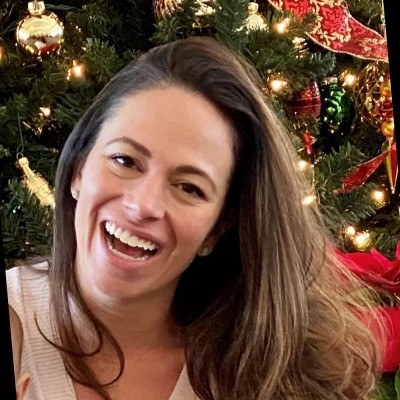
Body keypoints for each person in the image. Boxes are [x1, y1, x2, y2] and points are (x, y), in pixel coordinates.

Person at [7, 36, 382, 400]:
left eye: (189, 188)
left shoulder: (267, 370)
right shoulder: (16, 316)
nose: (143, 205)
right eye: (124, 160)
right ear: (78, 169)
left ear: (217, 228)